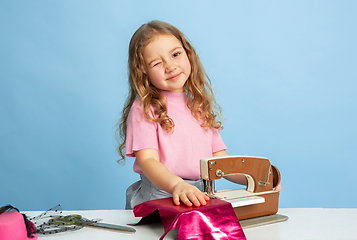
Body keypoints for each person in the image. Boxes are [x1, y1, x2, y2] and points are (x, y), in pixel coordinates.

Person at [118, 20, 248, 210]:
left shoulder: (198, 105)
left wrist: (257, 177)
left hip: (200, 196)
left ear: (188, 54)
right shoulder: (145, 107)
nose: (170, 66)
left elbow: (219, 160)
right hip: (160, 196)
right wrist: (177, 185)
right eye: (157, 63)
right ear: (143, 72)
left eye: (175, 54)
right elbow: (148, 160)